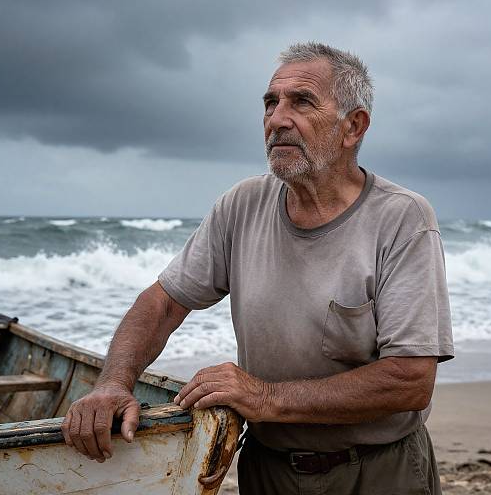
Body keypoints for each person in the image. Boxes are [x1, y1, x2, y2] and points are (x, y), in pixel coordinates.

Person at [62, 42, 454, 494]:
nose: (278, 119)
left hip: (379, 469)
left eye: (302, 102)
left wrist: (263, 396)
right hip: (268, 470)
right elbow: (163, 302)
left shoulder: (403, 218)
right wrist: (113, 383)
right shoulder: (242, 204)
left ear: (353, 126)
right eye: (271, 102)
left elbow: (410, 382)